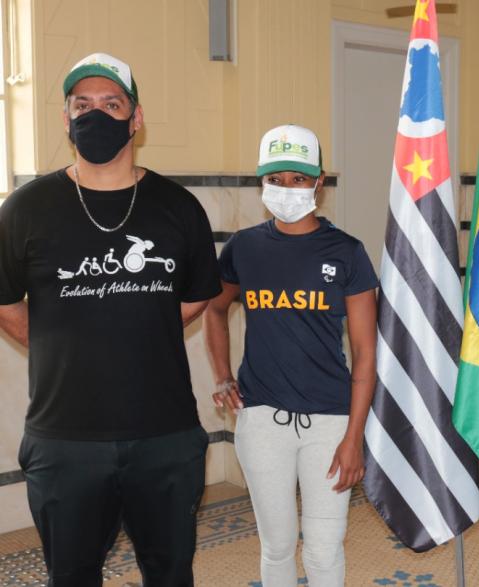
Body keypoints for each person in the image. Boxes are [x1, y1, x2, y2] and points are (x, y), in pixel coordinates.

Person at [0, 53, 221, 585]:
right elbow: (8, 308)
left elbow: (193, 298)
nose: (95, 114)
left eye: (111, 104)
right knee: (71, 576)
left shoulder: (178, 207)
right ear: (66, 116)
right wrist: (66, 347)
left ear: (136, 117)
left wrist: (139, 325)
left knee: (170, 573)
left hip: (165, 436)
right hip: (64, 440)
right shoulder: (25, 208)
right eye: (83, 104)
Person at [204, 124, 377, 587]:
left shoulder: (347, 253)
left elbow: (364, 353)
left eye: (298, 179)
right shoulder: (245, 247)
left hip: (330, 423)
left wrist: (354, 436)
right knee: (277, 548)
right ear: (262, 182)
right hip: (261, 422)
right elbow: (215, 309)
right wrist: (223, 376)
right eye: (276, 179)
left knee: (323, 551)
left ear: (319, 182)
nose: (286, 189)